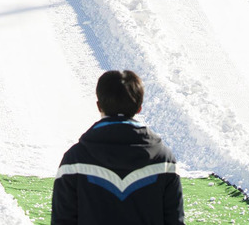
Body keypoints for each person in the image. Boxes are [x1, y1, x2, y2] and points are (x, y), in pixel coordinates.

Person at [51, 70, 182, 225]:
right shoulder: (164, 159)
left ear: (99, 106)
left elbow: (62, 220)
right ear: (139, 107)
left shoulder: (74, 160)